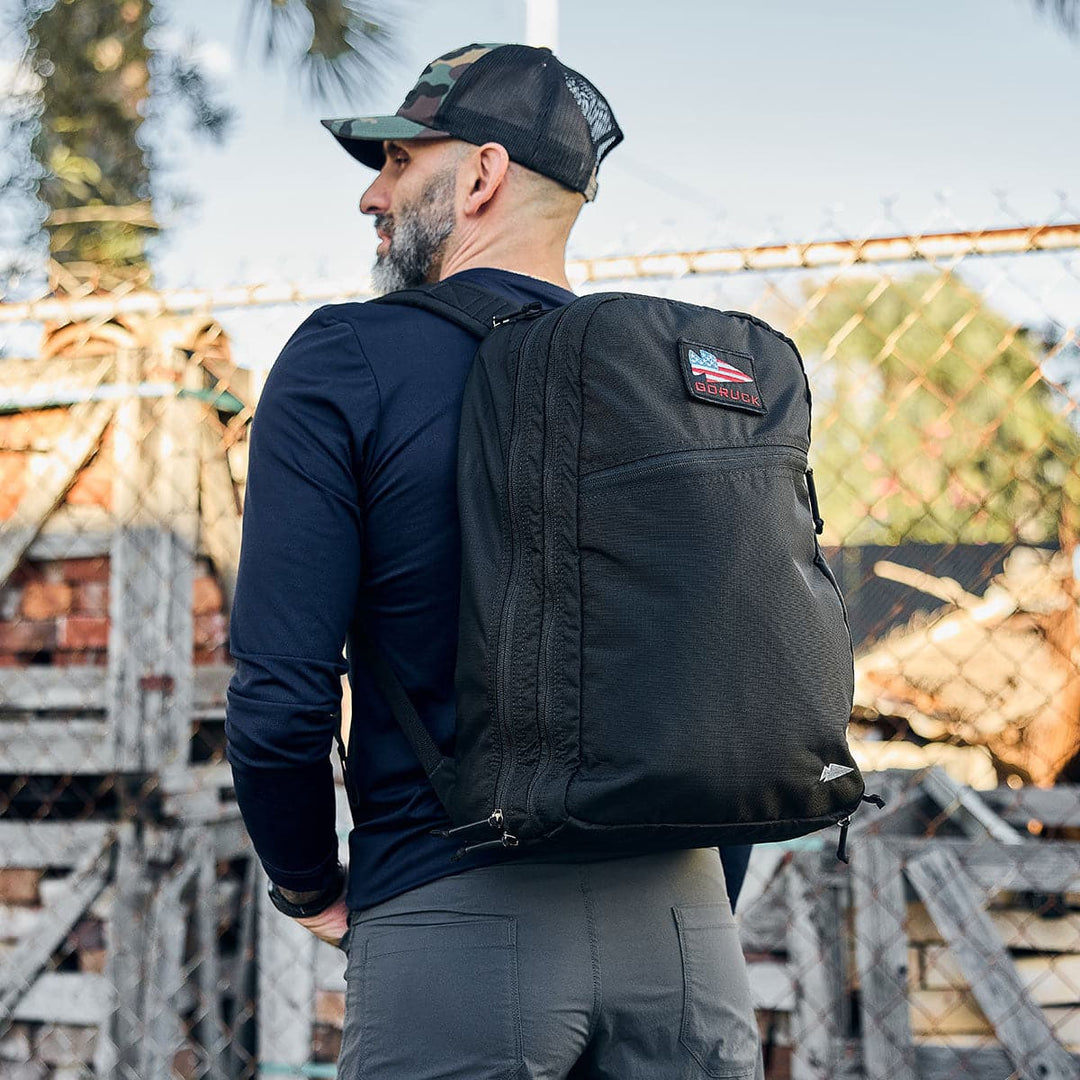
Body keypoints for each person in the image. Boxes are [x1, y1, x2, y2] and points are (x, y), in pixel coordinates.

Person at [225, 42, 764, 1080]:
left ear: (480, 176)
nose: (371, 197)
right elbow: (734, 680)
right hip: (690, 932)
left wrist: (309, 883)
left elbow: (283, 695)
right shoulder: (685, 382)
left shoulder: (349, 358)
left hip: (455, 917)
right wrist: (694, 895)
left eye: (396, 163)